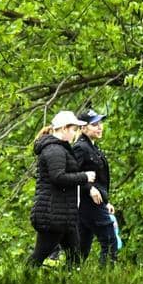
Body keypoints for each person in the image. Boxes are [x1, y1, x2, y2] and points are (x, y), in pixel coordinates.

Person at [27, 111, 95, 267]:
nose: (75, 133)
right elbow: (58, 177)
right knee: (38, 257)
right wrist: (84, 177)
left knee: (75, 258)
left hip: (64, 215)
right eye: (74, 129)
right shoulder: (54, 150)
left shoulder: (61, 149)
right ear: (64, 128)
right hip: (52, 216)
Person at [72, 108, 118, 265]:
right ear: (83, 128)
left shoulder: (94, 147)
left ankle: (69, 277)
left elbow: (101, 179)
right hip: (88, 203)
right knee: (111, 241)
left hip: (96, 203)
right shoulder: (80, 147)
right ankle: (107, 279)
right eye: (94, 124)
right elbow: (72, 174)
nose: (99, 127)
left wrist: (107, 202)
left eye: (100, 123)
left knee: (81, 249)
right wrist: (90, 188)